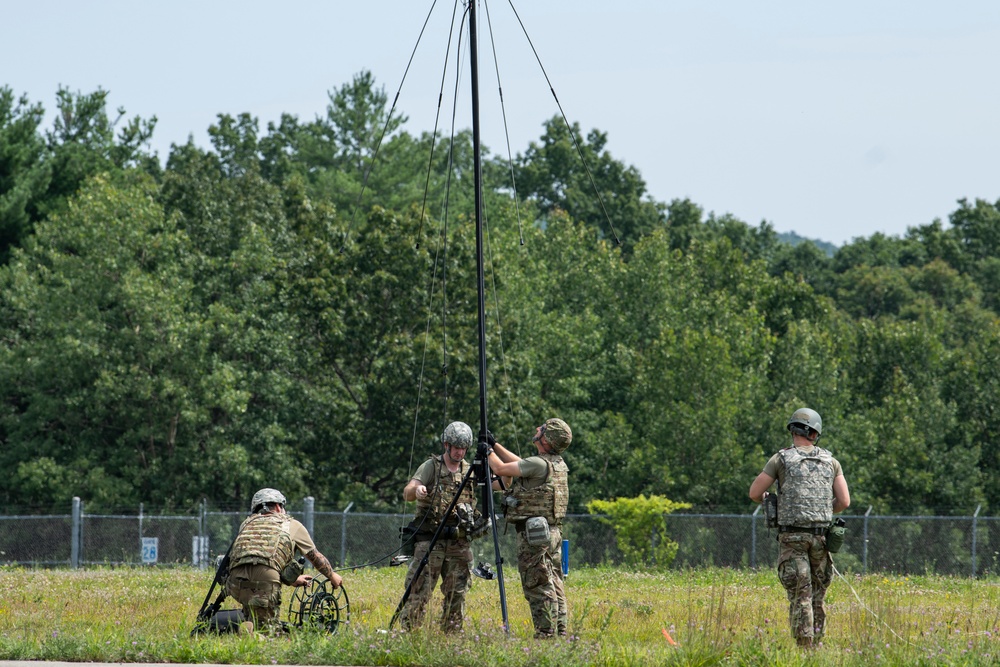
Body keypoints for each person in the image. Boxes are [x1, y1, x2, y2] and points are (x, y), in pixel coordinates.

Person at [749, 408, 851, 649]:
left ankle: (804, 650)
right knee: (817, 595)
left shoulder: (780, 459)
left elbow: (754, 493)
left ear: (792, 431)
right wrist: (821, 512)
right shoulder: (831, 461)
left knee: (800, 594)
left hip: (792, 537)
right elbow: (844, 502)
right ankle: (816, 645)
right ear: (815, 434)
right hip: (820, 539)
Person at [486, 418, 571, 639]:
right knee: (553, 580)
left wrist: (486, 452)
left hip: (534, 536)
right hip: (552, 533)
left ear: (547, 439)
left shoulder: (539, 464)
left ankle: (545, 633)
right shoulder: (555, 463)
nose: (537, 430)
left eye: (541, 429)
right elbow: (522, 465)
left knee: (537, 583)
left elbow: (501, 468)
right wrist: (495, 446)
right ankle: (559, 630)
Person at [225, 488, 343, 634]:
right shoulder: (291, 525)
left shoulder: (246, 524)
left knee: (254, 609)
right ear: (278, 506)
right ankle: (251, 633)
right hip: (264, 582)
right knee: (269, 632)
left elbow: (257, 557)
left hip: (235, 583)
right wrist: (332, 576)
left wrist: (293, 580)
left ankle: (248, 624)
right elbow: (315, 557)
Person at [399, 421, 476, 632]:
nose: (460, 452)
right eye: (456, 447)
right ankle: (409, 633)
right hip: (430, 540)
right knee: (419, 590)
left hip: (458, 542)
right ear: (446, 445)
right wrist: (418, 490)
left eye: (463, 448)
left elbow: (500, 483)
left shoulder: (469, 470)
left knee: (457, 593)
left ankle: (452, 635)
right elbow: (408, 491)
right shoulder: (431, 466)